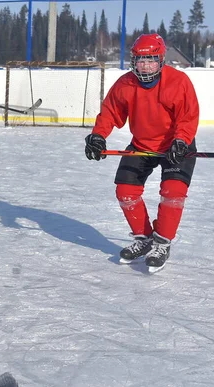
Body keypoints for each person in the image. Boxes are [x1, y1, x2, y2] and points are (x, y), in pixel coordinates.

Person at [84, 33, 199, 270]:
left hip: (176, 145)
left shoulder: (178, 82)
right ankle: (144, 238)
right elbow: (110, 113)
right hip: (142, 145)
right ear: (133, 61)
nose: (145, 66)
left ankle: (163, 242)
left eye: (151, 61)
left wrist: (181, 141)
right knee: (125, 190)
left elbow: (187, 117)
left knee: (173, 191)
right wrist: (98, 136)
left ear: (161, 60)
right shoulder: (126, 84)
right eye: (140, 61)